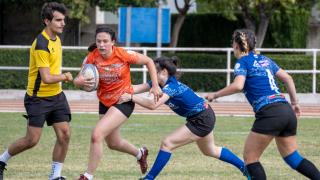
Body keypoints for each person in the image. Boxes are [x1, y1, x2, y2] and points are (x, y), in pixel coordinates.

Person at [206, 29, 320, 180]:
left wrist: (215, 94)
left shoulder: (242, 62)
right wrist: (294, 103)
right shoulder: (266, 60)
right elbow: (288, 78)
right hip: (286, 110)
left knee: (250, 159)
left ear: (236, 45)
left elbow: (238, 85)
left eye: (232, 42)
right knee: (293, 158)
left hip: (270, 113)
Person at [118, 56, 250, 180]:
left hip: (202, 118)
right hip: (204, 115)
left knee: (167, 143)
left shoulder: (171, 87)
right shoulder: (157, 83)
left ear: (163, 71)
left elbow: (153, 105)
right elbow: (135, 88)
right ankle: (245, 168)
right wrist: (116, 88)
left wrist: (131, 97)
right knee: (210, 150)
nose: (151, 73)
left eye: (153, 70)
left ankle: (149, 178)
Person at [73, 26, 162, 180]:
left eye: (105, 41)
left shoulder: (123, 54)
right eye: (98, 41)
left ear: (113, 42)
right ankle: (140, 153)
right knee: (113, 143)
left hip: (124, 100)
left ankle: (87, 176)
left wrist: (155, 85)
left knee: (97, 134)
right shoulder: (91, 58)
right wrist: (78, 81)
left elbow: (149, 61)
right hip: (105, 102)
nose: (101, 45)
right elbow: (77, 80)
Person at [0, 2, 73, 180]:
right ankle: (1, 161)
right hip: (38, 99)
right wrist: (66, 77)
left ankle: (55, 177)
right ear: (47, 21)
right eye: (58, 20)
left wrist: (69, 80)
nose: (63, 23)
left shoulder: (57, 39)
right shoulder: (41, 43)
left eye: (64, 20)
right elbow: (47, 78)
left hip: (56, 96)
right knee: (31, 140)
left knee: (64, 135)